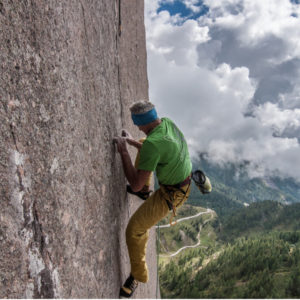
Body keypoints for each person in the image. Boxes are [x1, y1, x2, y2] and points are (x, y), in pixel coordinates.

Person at [113, 100, 192, 298]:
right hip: (182, 181)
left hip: (172, 194)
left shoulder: (154, 144)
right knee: (144, 143)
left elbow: (135, 182)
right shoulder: (166, 123)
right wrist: (133, 142)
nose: (137, 127)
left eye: (137, 123)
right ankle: (145, 193)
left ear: (142, 121)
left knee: (135, 229)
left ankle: (138, 276)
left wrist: (123, 151)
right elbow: (155, 148)